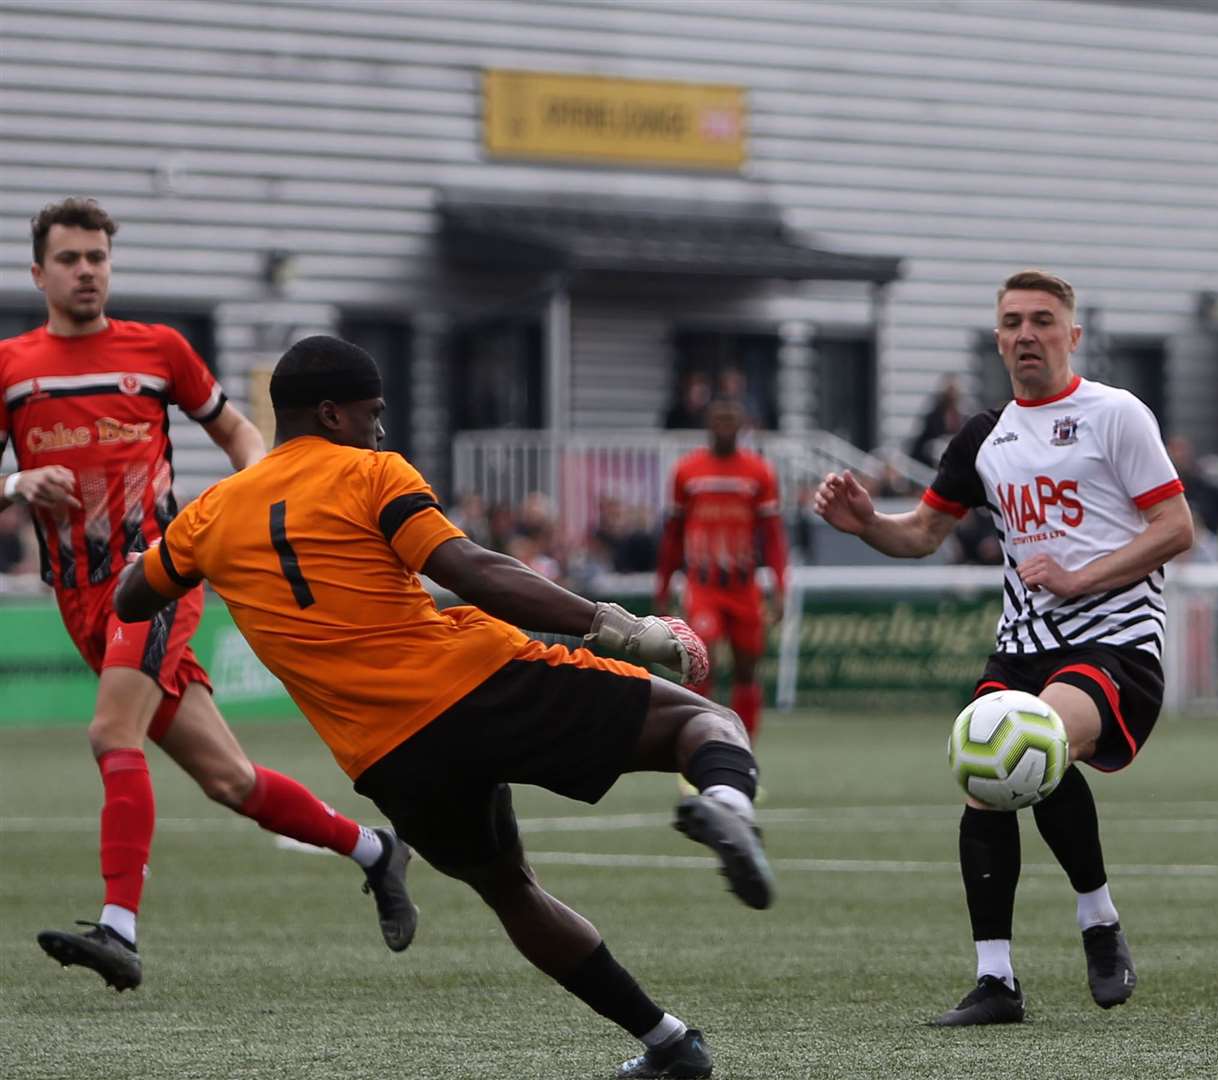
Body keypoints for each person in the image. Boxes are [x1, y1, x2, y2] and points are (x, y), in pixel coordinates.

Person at [114, 335, 773, 1078]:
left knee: (512, 891)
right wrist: (615, 626)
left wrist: (157, 553)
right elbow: (469, 567)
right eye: (373, 412)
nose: (380, 428)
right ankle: (726, 803)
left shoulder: (211, 513)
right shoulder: (369, 472)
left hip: (387, 758)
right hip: (472, 682)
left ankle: (667, 1044)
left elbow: (133, 598)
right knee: (704, 722)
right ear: (331, 414)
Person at [1, 199, 413, 992]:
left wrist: (252, 496)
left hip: (153, 575)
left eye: (97, 257)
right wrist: (18, 481)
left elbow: (239, 435)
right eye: (70, 259)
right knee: (230, 781)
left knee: (109, 731)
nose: (86, 270)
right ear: (38, 273)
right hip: (79, 595)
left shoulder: (159, 349)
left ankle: (119, 928)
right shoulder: (13, 367)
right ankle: (376, 850)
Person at [814, 270, 1193, 1025]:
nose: (1027, 334)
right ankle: (996, 982)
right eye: (1013, 322)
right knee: (984, 778)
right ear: (996, 338)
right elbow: (921, 532)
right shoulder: (982, 436)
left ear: (1071, 335)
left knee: (1033, 743)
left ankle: (1097, 921)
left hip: (1115, 639)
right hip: (1021, 647)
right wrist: (866, 524)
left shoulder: (1114, 414)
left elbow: (1175, 529)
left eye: (1043, 321)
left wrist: (1082, 578)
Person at [655, 397, 788, 741]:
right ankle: (699, 748)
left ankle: (742, 755)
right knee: (701, 663)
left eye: (732, 418)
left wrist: (780, 587)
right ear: (708, 424)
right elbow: (672, 537)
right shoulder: (687, 471)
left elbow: (773, 537)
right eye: (719, 418)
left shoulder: (759, 471)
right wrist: (663, 587)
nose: (725, 425)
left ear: (742, 423)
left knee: (746, 671)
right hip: (704, 586)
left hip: (743, 588)